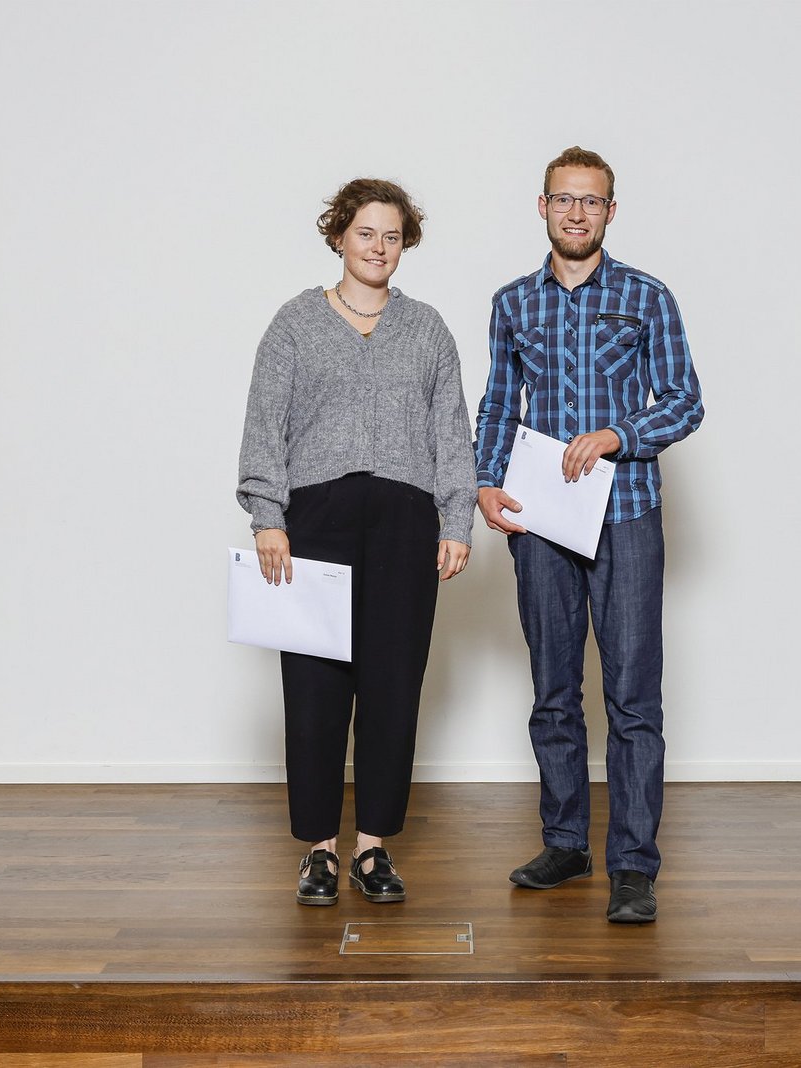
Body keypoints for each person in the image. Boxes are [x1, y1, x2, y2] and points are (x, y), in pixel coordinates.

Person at [474, 147, 704, 924]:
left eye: (592, 201)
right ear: (542, 207)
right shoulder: (513, 303)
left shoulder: (647, 297)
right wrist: (483, 480)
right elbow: (498, 403)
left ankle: (633, 867)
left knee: (633, 696)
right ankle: (565, 843)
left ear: (611, 211)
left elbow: (684, 400)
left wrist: (618, 434)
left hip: (627, 513)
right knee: (553, 690)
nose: (577, 213)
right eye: (564, 199)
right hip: (541, 521)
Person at [238, 178, 474, 906]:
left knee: (393, 687)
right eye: (366, 233)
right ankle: (319, 849)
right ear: (339, 235)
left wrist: (456, 521)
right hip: (316, 521)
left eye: (392, 236)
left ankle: (372, 848)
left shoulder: (427, 330)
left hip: (406, 523)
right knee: (314, 689)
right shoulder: (295, 324)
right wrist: (267, 515)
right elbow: (264, 423)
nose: (378, 247)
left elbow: (452, 433)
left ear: (406, 245)